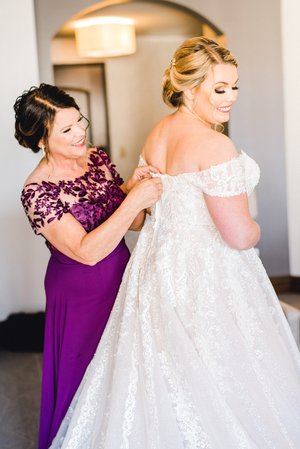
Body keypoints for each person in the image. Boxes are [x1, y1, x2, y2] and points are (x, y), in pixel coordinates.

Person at [50, 37, 300, 449]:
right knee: (223, 370)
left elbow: (145, 211)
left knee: (161, 370)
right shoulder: (215, 145)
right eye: (220, 89)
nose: (230, 98)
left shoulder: (158, 133)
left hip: (155, 272)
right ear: (188, 88)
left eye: (235, 87)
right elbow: (237, 236)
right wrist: (256, 229)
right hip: (207, 274)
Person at [14, 83, 162, 449]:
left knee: (125, 369)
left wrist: (129, 189)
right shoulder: (37, 192)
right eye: (66, 129)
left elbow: (135, 224)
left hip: (122, 275)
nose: (80, 131)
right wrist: (133, 202)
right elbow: (86, 251)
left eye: (79, 120)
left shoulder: (95, 159)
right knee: (87, 378)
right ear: (41, 140)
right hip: (80, 294)